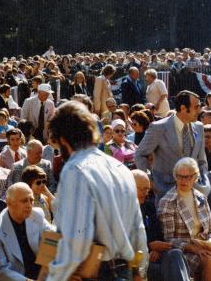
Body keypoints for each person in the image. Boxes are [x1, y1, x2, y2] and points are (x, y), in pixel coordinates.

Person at [47, 101, 148, 280]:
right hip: (125, 270)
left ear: (63, 139)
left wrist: (55, 277)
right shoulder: (121, 169)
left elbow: (77, 240)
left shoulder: (75, 170)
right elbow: (138, 230)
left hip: (97, 272)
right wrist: (138, 271)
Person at [159, 158, 211, 281]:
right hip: (183, 251)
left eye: (188, 177)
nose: (183, 180)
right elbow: (168, 239)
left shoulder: (200, 197)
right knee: (209, 261)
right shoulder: (168, 201)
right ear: (175, 176)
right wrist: (193, 248)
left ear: (195, 177)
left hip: (204, 246)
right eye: (180, 176)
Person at [136, 90, 209, 201]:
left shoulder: (199, 127)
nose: (200, 110)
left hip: (195, 194)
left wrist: (204, 184)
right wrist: (151, 181)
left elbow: (202, 161)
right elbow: (140, 154)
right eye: (196, 107)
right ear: (183, 108)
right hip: (166, 193)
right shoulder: (159, 128)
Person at [132, 169, 190, 281]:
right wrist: (149, 247)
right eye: (142, 189)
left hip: (154, 256)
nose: (146, 193)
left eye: (147, 189)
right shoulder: (123, 211)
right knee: (166, 269)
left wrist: (157, 250)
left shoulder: (148, 207)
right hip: (135, 261)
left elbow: (158, 233)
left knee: (175, 254)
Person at [0, 182, 54, 280]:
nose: (29, 205)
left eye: (31, 200)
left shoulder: (37, 215)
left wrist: (44, 273)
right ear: (9, 203)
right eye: (24, 201)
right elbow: (0, 269)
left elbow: (53, 239)